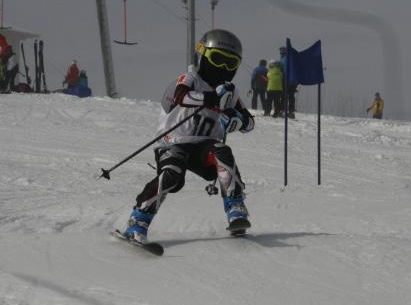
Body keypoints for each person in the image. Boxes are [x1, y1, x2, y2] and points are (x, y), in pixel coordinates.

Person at [119, 29, 255, 243]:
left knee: (222, 152)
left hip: (204, 147)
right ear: (202, 56)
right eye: (217, 59)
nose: (223, 68)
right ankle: (138, 220)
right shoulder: (191, 78)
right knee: (173, 175)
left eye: (230, 63)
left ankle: (235, 206)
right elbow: (181, 96)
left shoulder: (230, 92)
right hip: (173, 142)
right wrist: (211, 98)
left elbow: (250, 122)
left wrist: (238, 120)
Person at [278, 46, 297, 118]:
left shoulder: (282, 60)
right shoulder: (292, 60)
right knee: (291, 96)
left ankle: (282, 111)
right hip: (293, 81)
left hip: (285, 80)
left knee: (283, 96)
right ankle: (291, 112)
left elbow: (279, 71)